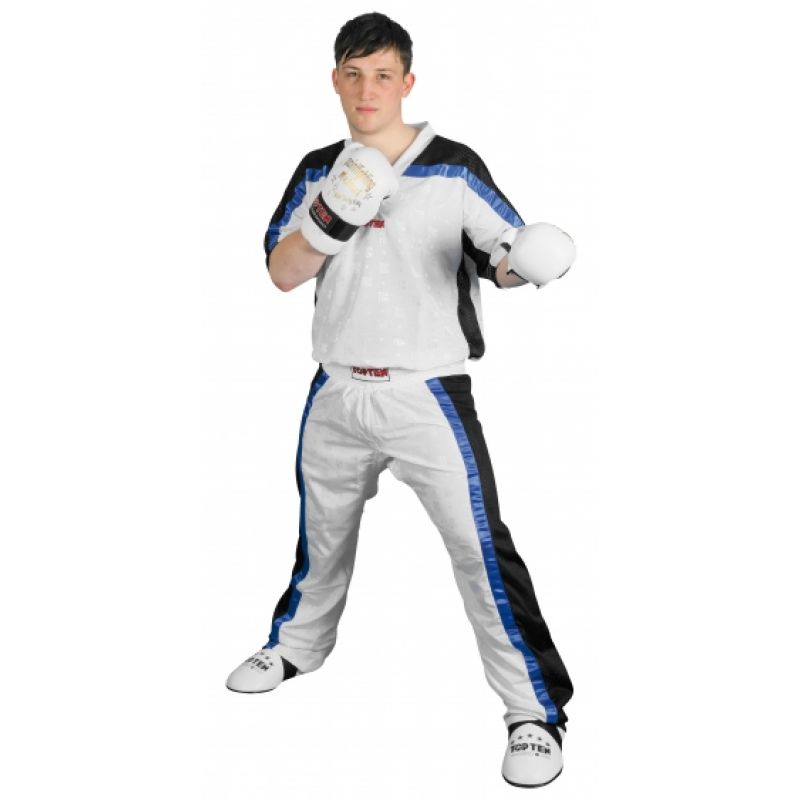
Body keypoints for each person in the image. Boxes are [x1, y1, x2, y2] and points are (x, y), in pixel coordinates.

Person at [226, 11, 575, 789]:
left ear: (407, 81)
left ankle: (533, 711)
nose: (367, 90)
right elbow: (282, 271)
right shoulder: (318, 167)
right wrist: (333, 215)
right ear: (334, 80)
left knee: (480, 551)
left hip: (428, 392)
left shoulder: (453, 166)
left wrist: (531, 261)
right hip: (336, 386)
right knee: (321, 536)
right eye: (353, 75)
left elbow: (504, 256)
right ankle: (295, 647)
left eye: (382, 75)